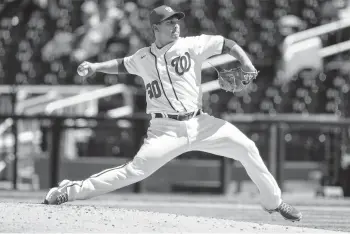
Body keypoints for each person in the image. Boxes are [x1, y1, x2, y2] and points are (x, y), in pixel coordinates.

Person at [43, 5, 302, 222]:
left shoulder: (192, 44)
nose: (175, 25)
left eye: (176, 20)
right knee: (133, 171)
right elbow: (121, 65)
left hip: (201, 123)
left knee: (246, 147)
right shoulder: (143, 57)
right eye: (168, 22)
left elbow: (227, 44)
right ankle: (70, 190)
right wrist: (95, 67)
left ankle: (274, 202)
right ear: (155, 28)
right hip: (164, 131)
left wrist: (246, 63)